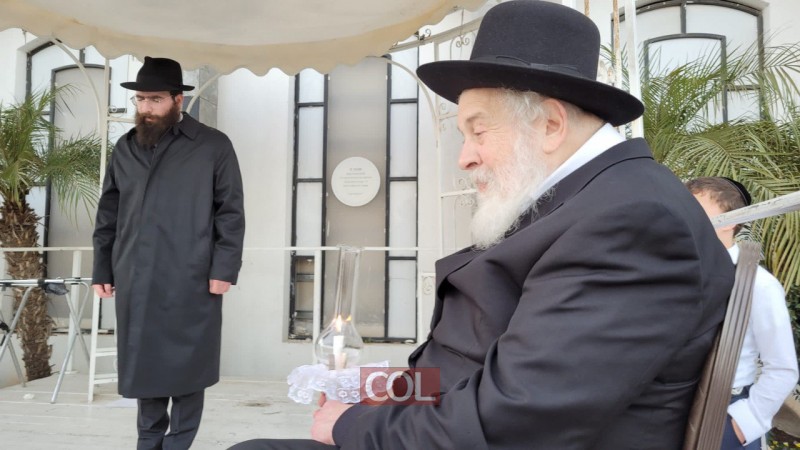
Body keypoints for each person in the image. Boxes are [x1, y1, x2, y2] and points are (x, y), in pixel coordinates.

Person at [231, 2, 733, 449]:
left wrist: (350, 425)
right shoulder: (591, 201)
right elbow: (488, 369)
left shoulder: (633, 222)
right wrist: (388, 388)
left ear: (550, 125)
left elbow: (520, 419)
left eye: (478, 131)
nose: (465, 158)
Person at [92, 56, 245, 450]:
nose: (146, 107)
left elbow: (230, 212)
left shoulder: (213, 145)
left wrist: (224, 268)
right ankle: (148, 441)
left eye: (155, 99)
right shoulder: (125, 148)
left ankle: (178, 443)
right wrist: (102, 269)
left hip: (192, 277)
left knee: (189, 367)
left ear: (178, 100)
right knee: (144, 364)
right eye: (141, 99)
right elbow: (108, 213)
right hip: (136, 276)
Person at [686, 176, 798, 450]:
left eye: (696, 209)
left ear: (731, 220)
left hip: (725, 412)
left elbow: (782, 367)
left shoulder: (759, 284)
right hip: (674, 406)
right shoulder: (677, 273)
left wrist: (742, 424)